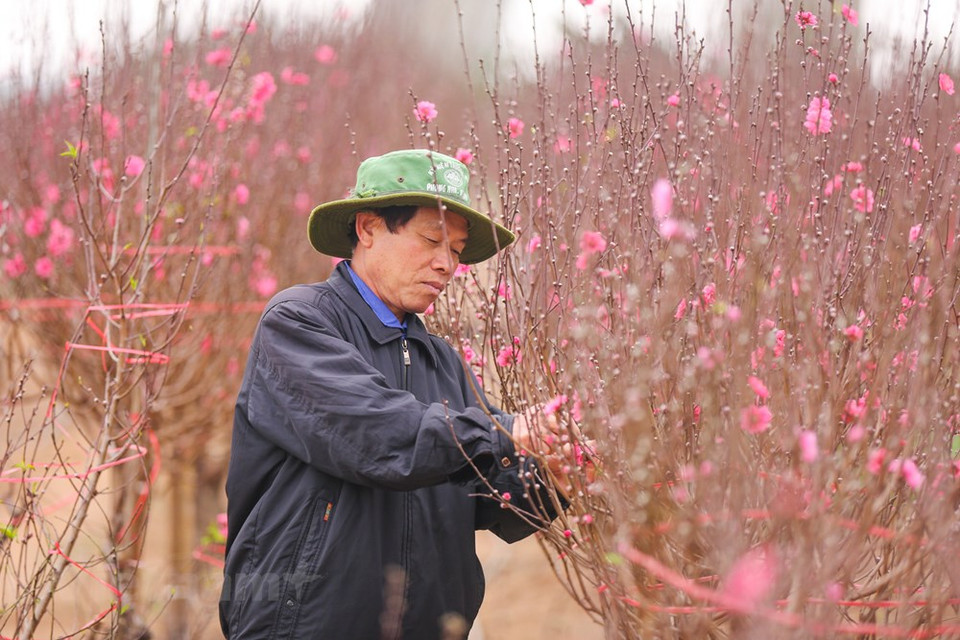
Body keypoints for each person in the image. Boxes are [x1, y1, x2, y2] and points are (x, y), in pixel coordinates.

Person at [220, 149, 569, 639]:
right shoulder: (298, 324)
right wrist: (508, 430)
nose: (447, 264)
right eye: (432, 240)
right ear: (367, 229)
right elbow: (378, 435)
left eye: (458, 250)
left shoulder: (443, 362)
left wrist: (557, 470)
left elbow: (491, 497)